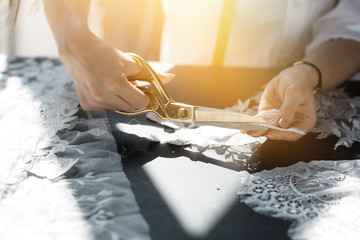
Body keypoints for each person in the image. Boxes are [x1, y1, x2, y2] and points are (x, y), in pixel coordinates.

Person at [43, 0, 360, 141]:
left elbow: (352, 21)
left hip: (296, 90)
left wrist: (308, 73)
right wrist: (72, 37)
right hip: (175, 75)